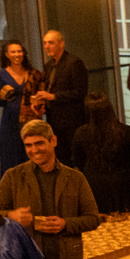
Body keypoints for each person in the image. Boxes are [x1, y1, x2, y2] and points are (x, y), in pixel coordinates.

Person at [0, 119, 101, 259]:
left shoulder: (75, 178)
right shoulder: (13, 177)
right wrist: (12, 216)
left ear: (53, 141)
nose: (34, 150)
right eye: (28, 145)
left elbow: (93, 218)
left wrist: (65, 224)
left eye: (39, 143)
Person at [72, 93, 130, 214]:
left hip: (93, 186)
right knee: (126, 227)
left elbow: (77, 162)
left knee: (97, 226)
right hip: (122, 187)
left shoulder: (80, 133)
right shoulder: (125, 132)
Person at [35, 29, 90, 163]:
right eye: (45, 43)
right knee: (59, 157)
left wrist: (53, 97)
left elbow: (80, 92)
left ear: (61, 44)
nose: (47, 46)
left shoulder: (74, 63)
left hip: (72, 121)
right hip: (54, 120)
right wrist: (41, 103)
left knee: (74, 159)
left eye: (51, 43)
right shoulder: (49, 66)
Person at [0, 41, 44, 175]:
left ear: (24, 53)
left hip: (30, 120)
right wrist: (3, 96)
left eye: (20, 51)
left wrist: (38, 102)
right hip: (10, 122)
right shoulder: (0, 75)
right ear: (6, 55)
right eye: (13, 52)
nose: (17, 55)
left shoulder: (33, 73)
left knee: (32, 152)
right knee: (11, 155)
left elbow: (42, 95)